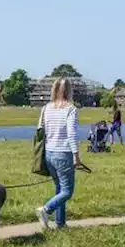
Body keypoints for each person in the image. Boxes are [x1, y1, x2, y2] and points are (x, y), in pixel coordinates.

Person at [35, 77, 82, 229]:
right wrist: (76, 155)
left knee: (59, 189)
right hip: (64, 152)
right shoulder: (71, 109)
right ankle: (46, 209)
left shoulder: (46, 108)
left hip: (49, 152)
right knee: (67, 191)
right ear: (69, 90)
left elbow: (40, 130)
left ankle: (60, 223)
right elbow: (71, 133)